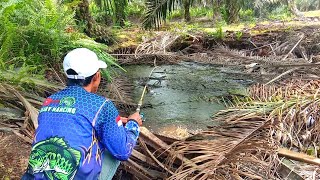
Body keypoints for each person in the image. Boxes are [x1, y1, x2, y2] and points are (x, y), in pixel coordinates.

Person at [22, 48, 142, 180]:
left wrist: (113, 121)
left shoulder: (49, 101)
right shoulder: (103, 105)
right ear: (97, 77)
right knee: (114, 147)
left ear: (66, 75)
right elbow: (122, 152)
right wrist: (133, 124)